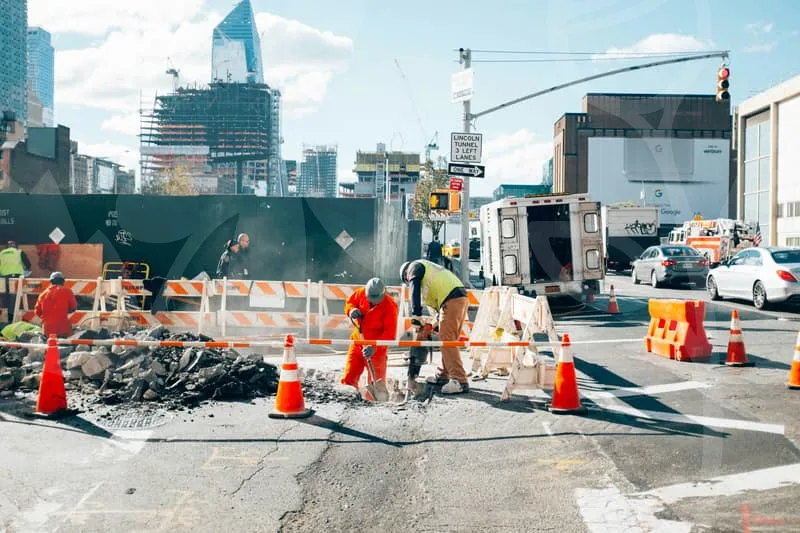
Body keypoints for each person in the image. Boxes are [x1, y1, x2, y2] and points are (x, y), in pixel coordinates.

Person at [400, 259, 470, 394]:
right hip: (457, 297)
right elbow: (438, 313)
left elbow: (414, 284)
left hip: (451, 298)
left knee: (447, 339)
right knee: (447, 339)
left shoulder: (415, 266)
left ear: (406, 275)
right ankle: (443, 375)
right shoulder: (431, 278)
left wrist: (416, 315)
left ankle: (460, 380)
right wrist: (431, 326)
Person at [341, 277, 398, 390]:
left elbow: (389, 334)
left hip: (377, 351)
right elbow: (350, 303)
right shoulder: (360, 293)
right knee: (349, 378)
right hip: (358, 342)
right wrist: (351, 310)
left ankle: (375, 404)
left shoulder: (390, 306)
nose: (373, 301)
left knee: (376, 384)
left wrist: (373, 347)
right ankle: (348, 399)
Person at [34, 272, 78, 338]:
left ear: (51, 281)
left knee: (49, 347)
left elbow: (37, 312)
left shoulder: (43, 294)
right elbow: (73, 307)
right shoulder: (67, 291)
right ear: (63, 281)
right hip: (63, 329)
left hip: (47, 330)